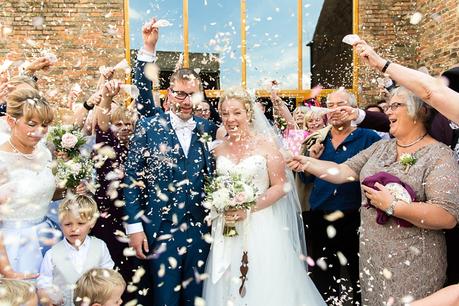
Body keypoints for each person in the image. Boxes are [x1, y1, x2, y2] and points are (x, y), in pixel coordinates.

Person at [288, 86, 459, 304]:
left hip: (414, 260)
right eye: (387, 106)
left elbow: (447, 215)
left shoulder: (439, 155)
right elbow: (343, 171)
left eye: (395, 105)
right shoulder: (381, 148)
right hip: (372, 257)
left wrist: (394, 206)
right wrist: (308, 163)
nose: (388, 111)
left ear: (421, 111)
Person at [203, 87, 326, 306]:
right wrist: (221, 202)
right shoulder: (218, 150)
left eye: (237, 112)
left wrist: (248, 208)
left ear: (249, 113)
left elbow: (281, 186)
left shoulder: (266, 145)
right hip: (227, 226)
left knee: (264, 280)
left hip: (261, 224)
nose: (230, 119)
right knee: (228, 281)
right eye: (225, 113)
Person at [124, 66, 217, 305]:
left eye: (193, 95)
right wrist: (134, 227)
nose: (187, 102)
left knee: (196, 297)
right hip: (162, 230)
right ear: (169, 93)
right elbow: (132, 178)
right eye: (181, 94)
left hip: (200, 230)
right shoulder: (149, 126)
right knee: (165, 299)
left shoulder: (207, 129)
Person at [297, 89, 380, 304]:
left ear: (353, 108)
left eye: (340, 104)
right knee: (323, 274)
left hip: (354, 216)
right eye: (330, 105)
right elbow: (306, 181)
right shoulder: (317, 140)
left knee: (357, 271)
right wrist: (311, 160)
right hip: (319, 215)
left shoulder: (369, 137)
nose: (334, 110)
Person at [90, 80, 143, 303]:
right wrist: (107, 98)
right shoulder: (105, 144)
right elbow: (102, 122)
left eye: (128, 124)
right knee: (111, 271)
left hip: (133, 218)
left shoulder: (139, 149)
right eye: (118, 124)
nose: (123, 128)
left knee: (136, 272)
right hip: (107, 220)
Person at [0, 88, 56, 275]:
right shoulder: (2, 160)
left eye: (45, 125)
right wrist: (8, 271)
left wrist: (69, 187)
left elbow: (42, 193)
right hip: (13, 248)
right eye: (31, 124)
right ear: (11, 120)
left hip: (47, 237)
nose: (39, 131)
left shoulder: (44, 152)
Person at [354, 39, 459, 124]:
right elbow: (402, 121)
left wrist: (381, 63)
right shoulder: (436, 118)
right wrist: (356, 114)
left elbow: (429, 91)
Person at [37, 195, 114, 306]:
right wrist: (48, 299)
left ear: (91, 223)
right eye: (68, 224)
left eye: (80, 223)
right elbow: (44, 283)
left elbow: (109, 276)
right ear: (60, 224)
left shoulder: (100, 246)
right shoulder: (52, 254)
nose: (74, 229)